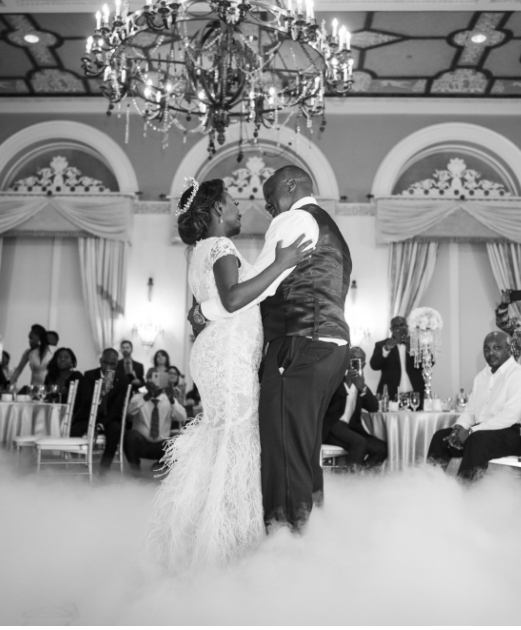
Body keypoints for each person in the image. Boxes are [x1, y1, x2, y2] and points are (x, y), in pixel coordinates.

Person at [152, 174, 314, 570]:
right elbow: (235, 297)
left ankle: (205, 536)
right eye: (234, 201)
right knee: (238, 441)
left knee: (225, 441)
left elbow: (200, 314)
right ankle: (229, 547)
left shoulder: (197, 252)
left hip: (218, 352)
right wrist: (280, 263)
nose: (241, 208)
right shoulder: (222, 245)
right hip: (227, 356)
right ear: (218, 210)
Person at [186, 166, 350, 531]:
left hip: (298, 344)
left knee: (283, 453)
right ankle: (311, 533)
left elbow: (254, 290)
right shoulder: (330, 229)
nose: (268, 208)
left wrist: (201, 311)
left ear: (290, 186)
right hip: (330, 346)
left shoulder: (293, 220)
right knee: (303, 449)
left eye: (270, 198)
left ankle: (285, 545)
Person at [427, 332, 521, 480]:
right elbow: (470, 411)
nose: (491, 353)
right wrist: (458, 428)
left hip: (510, 434)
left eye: (497, 348)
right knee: (441, 438)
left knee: (476, 440)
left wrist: (470, 431)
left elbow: (510, 416)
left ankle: (465, 494)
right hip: (480, 431)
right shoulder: (481, 377)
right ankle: (430, 488)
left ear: (508, 349)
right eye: (487, 349)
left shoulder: (519, 375)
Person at [322, 346, 387, 469]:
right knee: (359, 443)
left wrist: (362, 388)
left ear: (364, 364)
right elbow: (326, 406)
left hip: (351, 429)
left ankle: (363, 475)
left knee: (381, 448)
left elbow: (374, 408)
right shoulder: (333, 380)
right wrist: (346, 385)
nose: (355, 362)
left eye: (359, 359)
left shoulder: (360, 383)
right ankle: (351, 481)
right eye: (352, 358)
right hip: (331, 428)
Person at [123, 380, 187, 472]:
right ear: (147, 383)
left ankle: (161, 467)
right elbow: (129, 412)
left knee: (179, 441)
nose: (155, 383)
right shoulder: (138, 397)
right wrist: (147, 396)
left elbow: (182, 417)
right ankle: (135, 473)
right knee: (130, 436)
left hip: (162, 446)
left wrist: (172, 400)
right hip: (142, 444)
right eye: (152, 379)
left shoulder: (168, 399)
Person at [369, 316, 424, 401]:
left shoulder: (416, 343)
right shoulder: (382, 345)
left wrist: (412, 349)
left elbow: (429, 363)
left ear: (407, 327)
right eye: (395, 326)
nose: (399, 329)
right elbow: (374, 365)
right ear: (391, 329)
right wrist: (386, 350)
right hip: (391, 396)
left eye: (402, 325)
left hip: (415, 395)